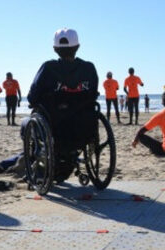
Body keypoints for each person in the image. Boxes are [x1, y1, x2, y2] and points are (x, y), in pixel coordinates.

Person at [27, 28, 99, 182]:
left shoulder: (48, 68)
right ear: (78, 47)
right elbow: (93, 94)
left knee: (26, 126)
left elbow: (32, 96)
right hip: (83, 126)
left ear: (54, 49)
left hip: (55, 124)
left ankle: (37, 167)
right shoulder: (89, 68)